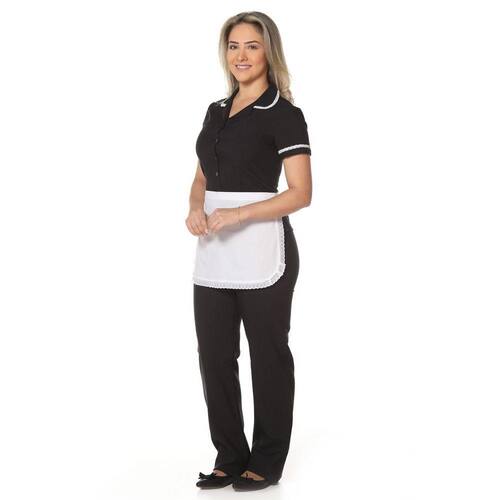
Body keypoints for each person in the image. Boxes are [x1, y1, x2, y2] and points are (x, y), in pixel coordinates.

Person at [185, 11, 312, 491]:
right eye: (233, 45)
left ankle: (267, 459)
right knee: (215, 356)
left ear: (268, 52)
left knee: (268, 355)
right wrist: (195, 208)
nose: (241, 55)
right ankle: (230, 455)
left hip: (263, 251)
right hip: (214, 251)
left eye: (252, 46)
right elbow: (201, 177)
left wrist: (238, 214)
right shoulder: (216, 111)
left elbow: (301, 193)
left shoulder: (284, 114)